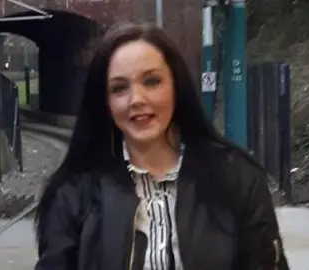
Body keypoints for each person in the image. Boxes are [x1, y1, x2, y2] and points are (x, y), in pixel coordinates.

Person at [34, 22, 290, 270]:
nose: (137, 99)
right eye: (119, 88)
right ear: (105, 102)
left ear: (176, 86)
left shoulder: (237, 178)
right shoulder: (72, 195)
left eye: (152, 81)